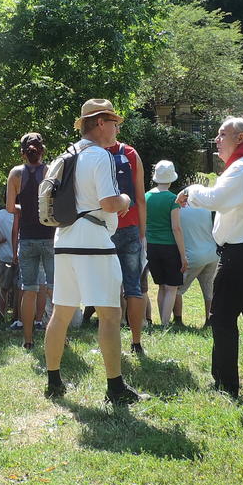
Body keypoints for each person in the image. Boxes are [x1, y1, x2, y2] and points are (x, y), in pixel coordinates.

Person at [42, 99, 142, 406]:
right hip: (93, 240)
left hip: (65, 238)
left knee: (61, 313)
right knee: (111, 314)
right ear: (100, 123)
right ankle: (115, 387)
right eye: (114, 122)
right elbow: (110, 203)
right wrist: (126, 199)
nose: (117, 128)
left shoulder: (67, 153)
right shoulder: (100, 156)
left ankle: (54, 380)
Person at [176, 116, 243, 399]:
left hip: (242, 254)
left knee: (222, 318)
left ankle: (225, 385)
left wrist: (191, 190)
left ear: (240, 138)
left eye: (222, 134)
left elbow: (216, 200)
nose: (216, 140)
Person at [6, 132, 53, 350]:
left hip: (26, 238)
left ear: (22, 152)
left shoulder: (15, 174)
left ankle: (28, 340)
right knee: (54, 289)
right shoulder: (50, 171)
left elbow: (9, 208)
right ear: (42, 150)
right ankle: (59, 337)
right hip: (50, 237)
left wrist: (24, 208)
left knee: (29, 289)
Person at [108, 130, 148, 355]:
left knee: (108, 289)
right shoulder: (131, 153)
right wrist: (141, 232)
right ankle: (136, 342)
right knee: (133, 287)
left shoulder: (92, 153)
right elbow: (140, 197)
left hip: (104, 229)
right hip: (131, 227)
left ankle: (110, 341)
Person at [145, 159, 185, 329]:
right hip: (169, 246)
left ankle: (161, 322)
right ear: (171, 178)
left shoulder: (146, 196)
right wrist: (183, 256)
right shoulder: (172, 199)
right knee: (171, 287)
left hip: (151, 246)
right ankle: (165, 323)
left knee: (161, 286)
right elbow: (176, 228)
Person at [175, 183, 220, 327]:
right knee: (209, 290)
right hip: (212, 253)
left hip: (193, 255)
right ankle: (210, 321)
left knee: (175, 289)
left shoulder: (179, 210)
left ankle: (177, 320)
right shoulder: (205, 208)